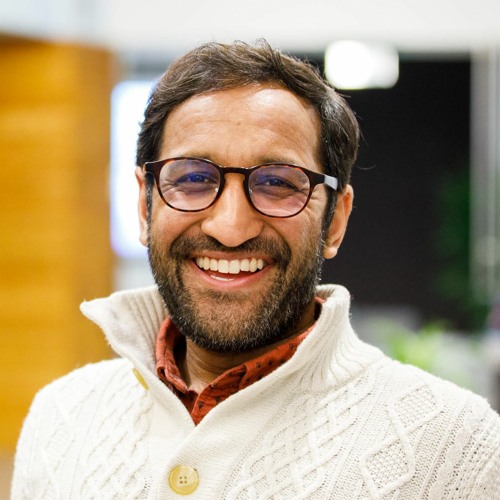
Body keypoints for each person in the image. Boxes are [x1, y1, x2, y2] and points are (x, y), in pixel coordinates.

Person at [11, 40, 500, 499]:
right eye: (193, 178)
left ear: (336, 221)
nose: (230, 227)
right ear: (145, 206)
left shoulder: (456, 448)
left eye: (278, 183)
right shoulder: (62, 417)